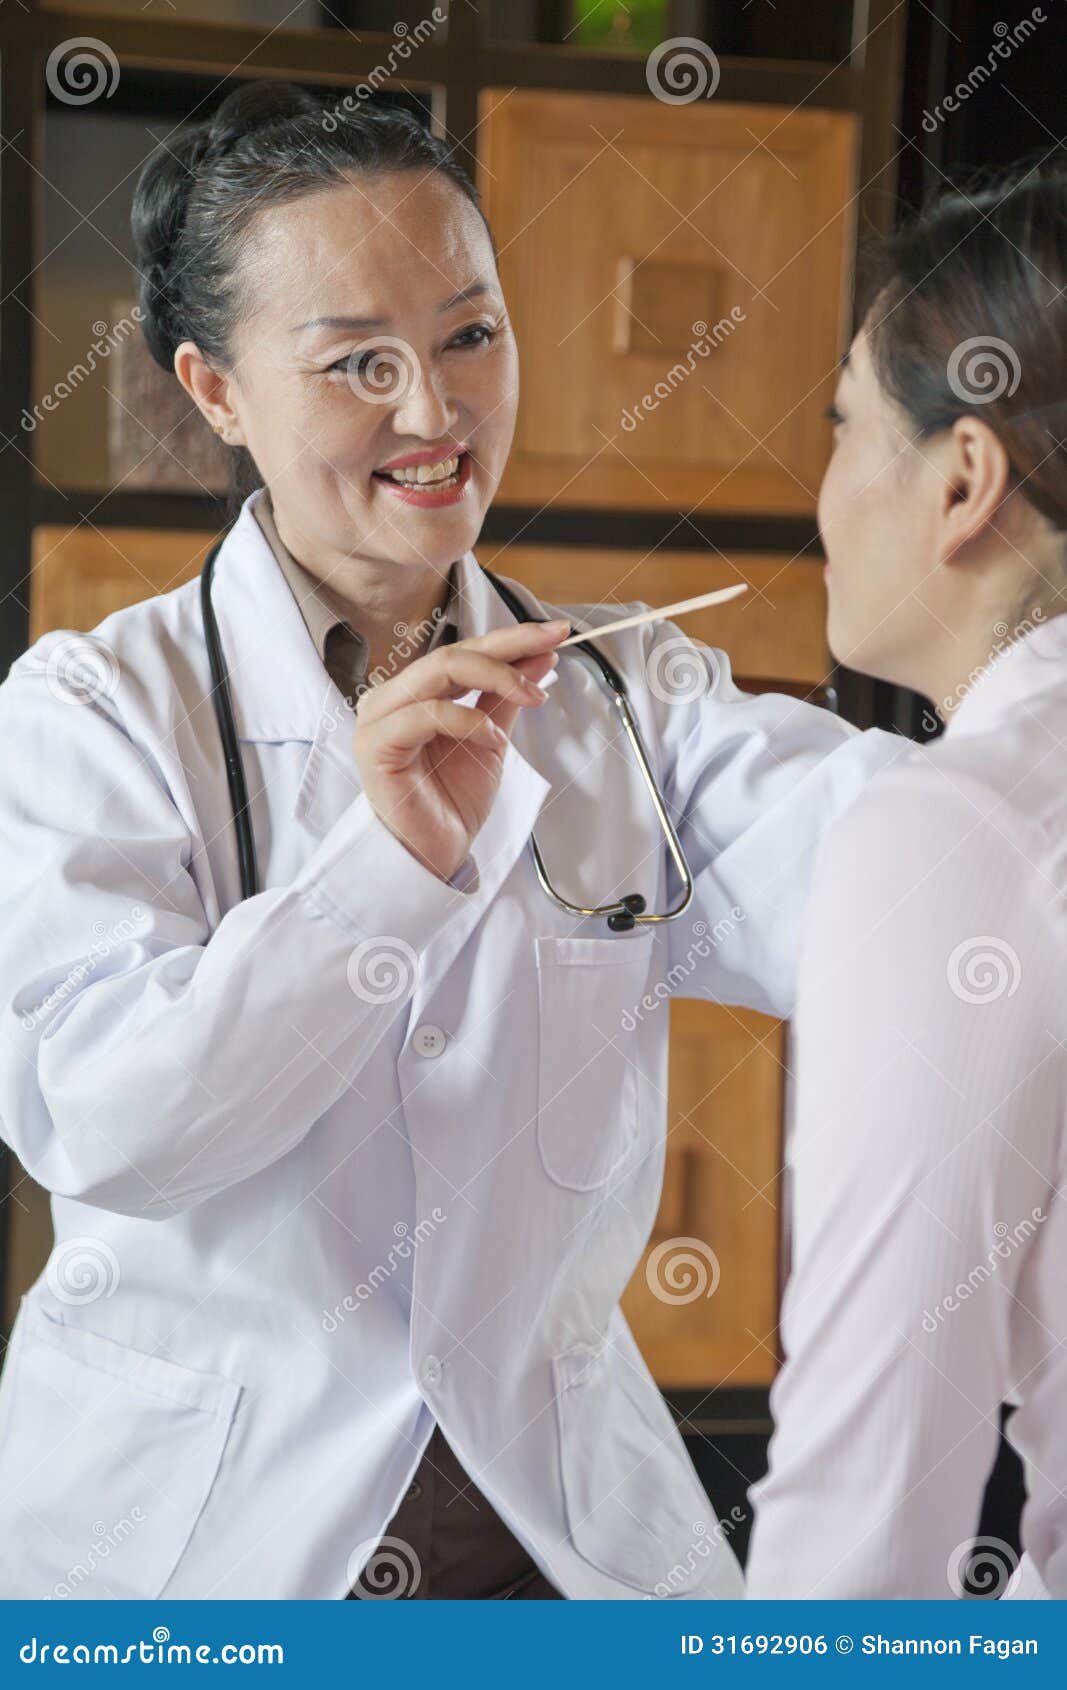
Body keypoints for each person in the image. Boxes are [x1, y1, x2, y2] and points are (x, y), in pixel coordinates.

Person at [0, 82, 895, 1601]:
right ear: (215, 387)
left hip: (546, 1528)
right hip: (204, 1542)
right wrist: (387, 871)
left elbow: (903, 881)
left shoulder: (624, 698)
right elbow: (107, 1121)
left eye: (472, 334)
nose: (436, 414)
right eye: (359, 361)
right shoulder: (92, 714)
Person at [745, 161, 1067, 1600]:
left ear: (962, 478)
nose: (820, 501)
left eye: (842, 429)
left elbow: (868, 1511)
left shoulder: (957, 830)